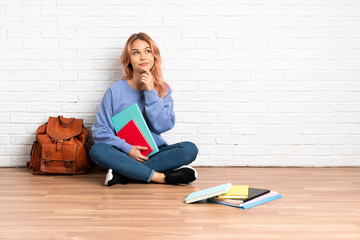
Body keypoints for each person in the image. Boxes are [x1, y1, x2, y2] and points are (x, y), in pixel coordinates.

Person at [89, 32, 198, 186]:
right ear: (129, 60)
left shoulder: (162, 89)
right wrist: (128, 149)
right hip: (122, 154)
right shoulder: (115, 90)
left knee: (189, 149)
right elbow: (100, 132)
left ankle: (122, 174)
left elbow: (163, 126)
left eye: (147, 51)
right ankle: (162, 177)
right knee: (97, 151)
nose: (143, 57)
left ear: (154, 56)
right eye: (136, 52)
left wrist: (150, 92)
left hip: (154, 154)